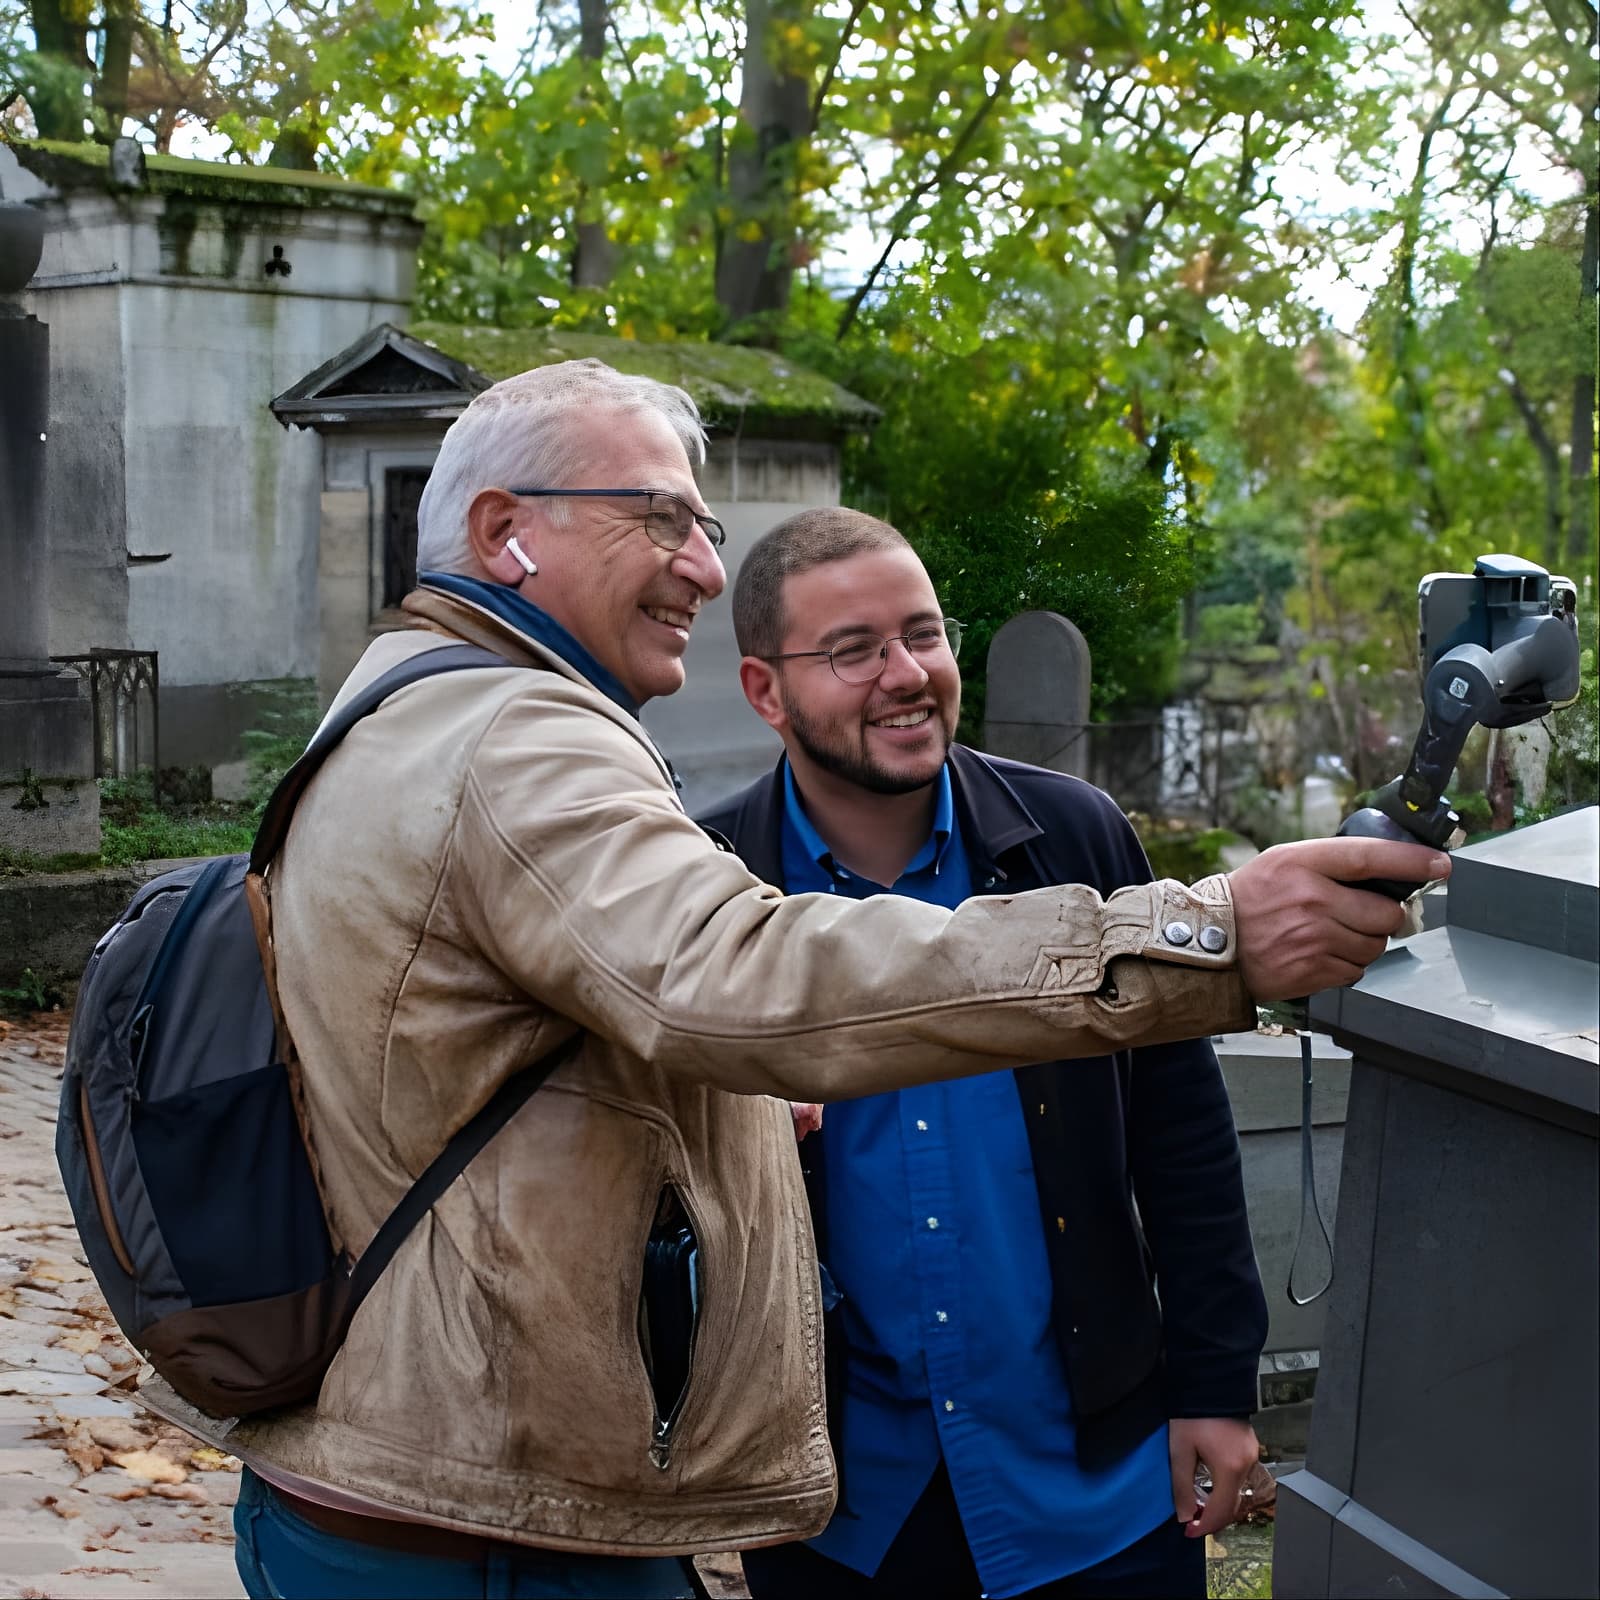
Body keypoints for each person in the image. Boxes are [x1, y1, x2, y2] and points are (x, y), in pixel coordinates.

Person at [182, 360, 1443, 1600]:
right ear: (505, 530)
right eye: (660, 518)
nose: (704, 565)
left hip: (433, 1481)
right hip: (490, 1531)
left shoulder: (393, 706)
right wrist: (1205, 932)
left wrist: (717, 1116)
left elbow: (503, 1061)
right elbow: (740, 977)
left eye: (705, 524)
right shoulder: (520, 734)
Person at [701, 508, 1285, 1600]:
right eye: (853, 650)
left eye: (923, 634)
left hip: (1091, 1480)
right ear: (764, 690)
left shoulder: (1077, 837)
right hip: (844, 1499)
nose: (905, 674)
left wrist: (1214, 1382)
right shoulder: (710, 880)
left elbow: (1182, 1126)